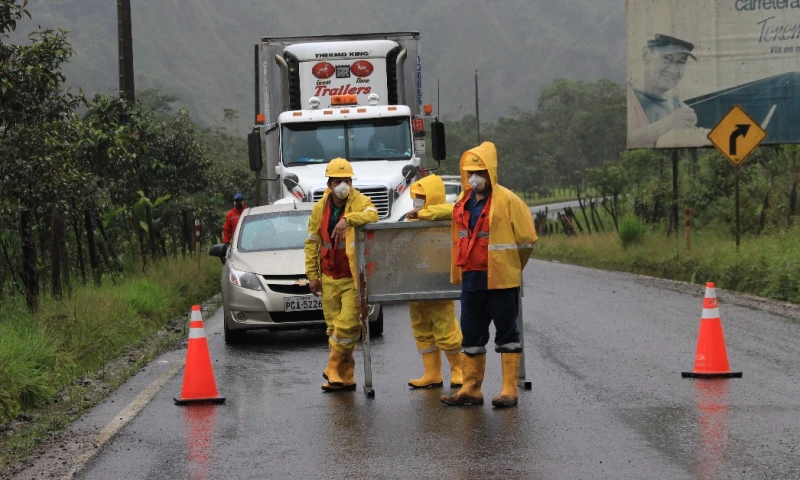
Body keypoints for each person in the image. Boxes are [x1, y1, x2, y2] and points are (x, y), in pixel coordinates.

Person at [440, 142, 537, 408]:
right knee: (471, 334)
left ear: (490, 172)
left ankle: (509, 390)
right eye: (470, 172)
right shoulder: (462, 202)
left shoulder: (508, 200)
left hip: (501, 279)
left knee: (507, 333)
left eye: (479, 172)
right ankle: (471, 389)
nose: (474, 177)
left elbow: (527, 239)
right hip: (471, 278)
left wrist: (513, 266)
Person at [304, 158, 379, 392]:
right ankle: (345, 376)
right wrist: (312, 275)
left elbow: (372, 214)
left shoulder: (359, 201)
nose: (343, 185)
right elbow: (312, 243)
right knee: (333, 329)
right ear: (329, 184)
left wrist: (348, 219)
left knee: (347, 326)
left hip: (351, 277)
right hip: (328, 276)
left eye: (347, 180)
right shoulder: (320, 208)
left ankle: (332, 368)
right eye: (338, 181)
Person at [404, 174, 464, 389]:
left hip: (438, 281)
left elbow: (454, 210)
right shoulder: (413, 218)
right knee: (421, 328)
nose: (418, 201)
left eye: (422, 196)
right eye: (416, 197)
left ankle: (459, 371)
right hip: (416, 281)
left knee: (445, 328)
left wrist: (423, 213)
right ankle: (432, 373)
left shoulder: (445, 213)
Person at [628, 34, 698, 148]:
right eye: (666, 58)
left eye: (681, 62)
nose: (673, 70)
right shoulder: (625, 96)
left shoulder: (680, 106)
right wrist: (667, 125)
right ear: (646, 55)